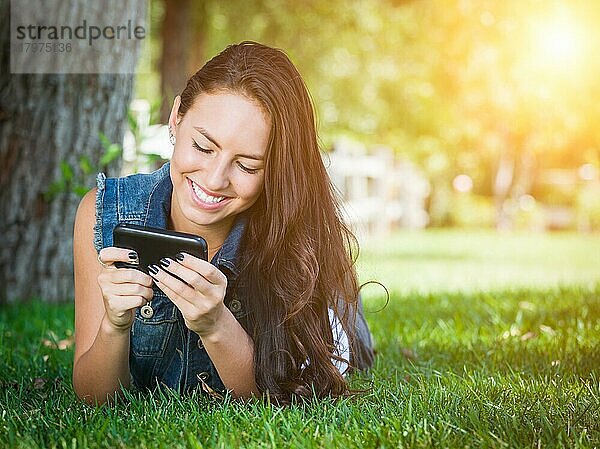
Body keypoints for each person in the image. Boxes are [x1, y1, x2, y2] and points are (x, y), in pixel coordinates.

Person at [72, 41, 375, 405]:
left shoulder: (296, 233)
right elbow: (93, 398)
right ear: (176, 118)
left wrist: (216, 324)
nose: (215, 180)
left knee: (349, 348)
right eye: (203, 146)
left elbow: (286, 397)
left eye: (247, 165)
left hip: (336, 327)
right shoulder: (105, 213)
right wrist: (114, 325)